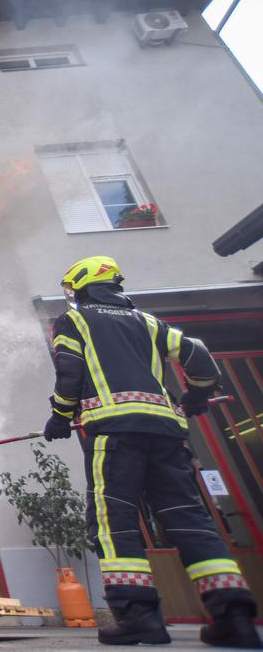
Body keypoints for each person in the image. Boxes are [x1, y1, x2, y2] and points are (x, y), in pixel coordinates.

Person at [46, 256, 261, 648]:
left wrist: (60, 416)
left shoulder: (73, 321)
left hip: (114, 433)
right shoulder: (148, 323)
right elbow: (201, 357)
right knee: (190, 519)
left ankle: (138, 616)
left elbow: (70, 373)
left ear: (81, 286)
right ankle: (234, 615)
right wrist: (195, 396)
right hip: (166, 434)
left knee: (115, 522)